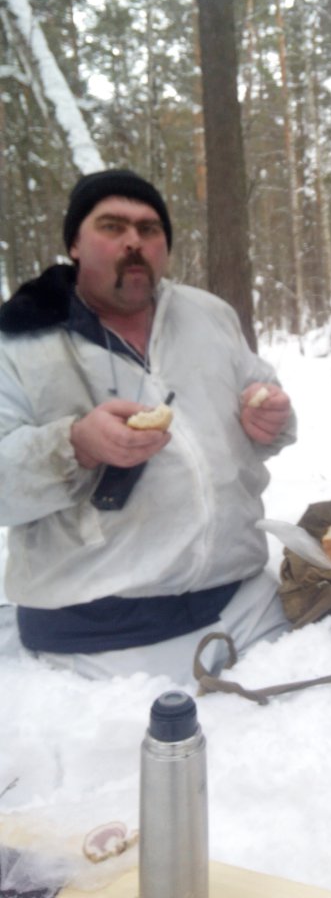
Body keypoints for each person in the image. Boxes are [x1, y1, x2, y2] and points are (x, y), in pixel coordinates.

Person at [0, 169, 296, 683]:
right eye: (112, 226)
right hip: (98, 641)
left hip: (245, 606)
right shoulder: (19, 340)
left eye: (149, 228)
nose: (134, 241)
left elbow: (265, 398)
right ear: (74, 243)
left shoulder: (208, 314)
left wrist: (271, 417)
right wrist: (74, 446)